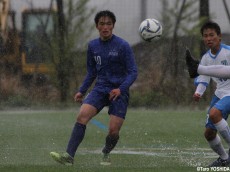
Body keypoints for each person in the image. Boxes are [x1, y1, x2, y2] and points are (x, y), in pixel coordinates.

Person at [50, 10, 138, 166]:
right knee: (82, 116)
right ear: (97, 26)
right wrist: (81, 90)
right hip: (100, 88)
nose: (105, 27)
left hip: (118, 91)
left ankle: (106, 151)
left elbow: (133, 72)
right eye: (102, 24)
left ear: (113, 26)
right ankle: (69, 156)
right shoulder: (92, 46)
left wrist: (121, 88)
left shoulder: (123, 46)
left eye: (109, 24)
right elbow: (91, 72)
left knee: (113, 131)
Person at [188, 21, 230, 167]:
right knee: (209, 134)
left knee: (214, 114)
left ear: (219, 36)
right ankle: (225, 159)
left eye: (212, 35)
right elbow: (204, 79)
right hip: (220, 93)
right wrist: (198, 92)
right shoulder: (206, 58)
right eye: (205, 36)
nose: (208, 38)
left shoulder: (228, 52)